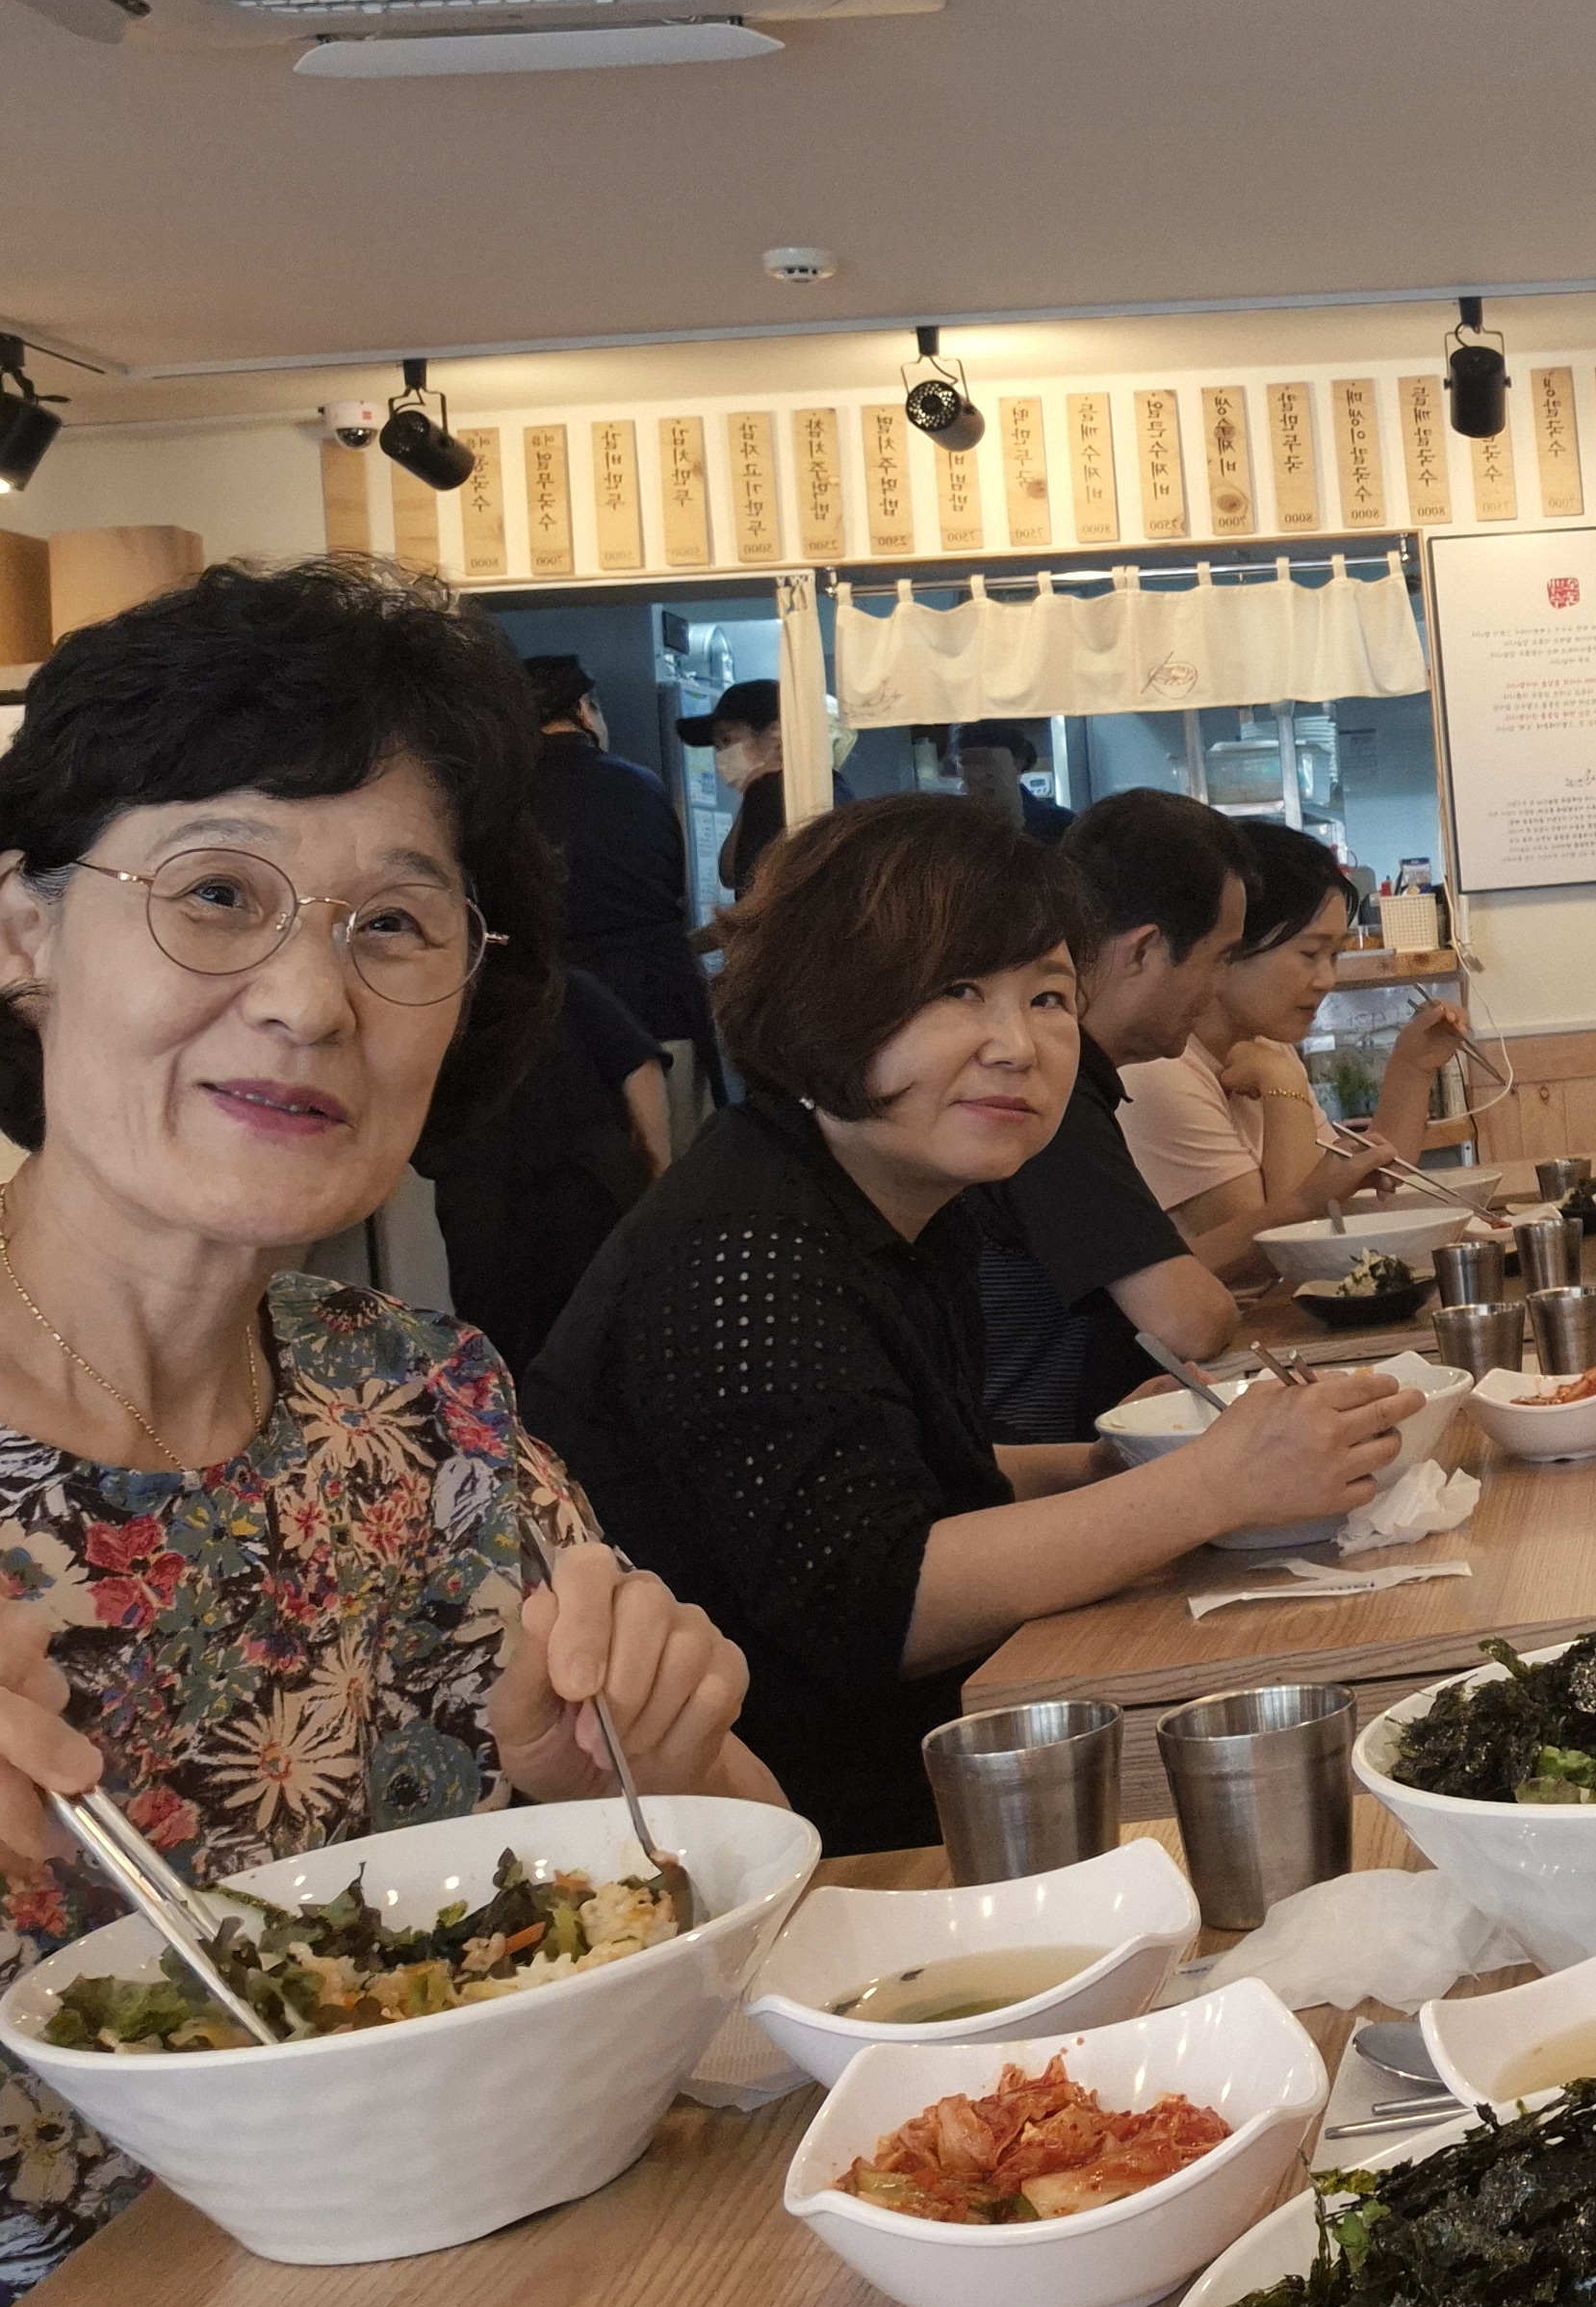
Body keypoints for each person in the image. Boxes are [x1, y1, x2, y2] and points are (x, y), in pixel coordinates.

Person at [0, 559, 770, 2307]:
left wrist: (642, 1773)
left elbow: (738, 1897)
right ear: (25, 934)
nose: (309, 999)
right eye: (217, 894)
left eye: (396, 926)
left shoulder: (424, 1409)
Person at [524, 795, 1419, 1851]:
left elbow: (905, 1469)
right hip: (793, 1847)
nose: (1018, 1046)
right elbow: (877, 1602)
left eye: (1047, 996)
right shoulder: (743, 1247)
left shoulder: (897, 1195)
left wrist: (1106, 1464)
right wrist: (1212, 1482)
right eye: (955, 991)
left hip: (918, 1766)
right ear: (822, 996)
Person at [965, 789, 1250, 1441]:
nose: (1218, 990)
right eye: (1221, 958)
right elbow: (1189, 1321)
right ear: (1145, 950)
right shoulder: (1042, 1095)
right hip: (1053, 1470)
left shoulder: (1073, 1085)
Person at [1117, 821, 1474, 1280]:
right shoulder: (1159, 1073)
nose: (1327, 979)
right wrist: (1282, 1086)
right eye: (1310, 954)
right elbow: (1280, 1252)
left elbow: (1355, 1184)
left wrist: (1413, 1065)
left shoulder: (1264, 1044)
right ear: (1230, 948)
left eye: (1335, 955)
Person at [416, 959, 668, 1374]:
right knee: (602, 1345)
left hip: (518, 1201)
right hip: (550, 1195)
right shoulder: (563, 987)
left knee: (516, 1355)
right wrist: (656, 1168)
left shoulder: (440, 1006)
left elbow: (639, 1063)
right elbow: (639, 1064)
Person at [524, 652, 717, 1111]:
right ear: (583, 709)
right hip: (659, 1000)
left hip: (552, 1015)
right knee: (675, 1144)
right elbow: (672, 885)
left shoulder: (503, 796)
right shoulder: (642, 785)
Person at [679, 676, 787, 905]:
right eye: (717, 747)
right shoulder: (760, 793)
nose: (721, 756)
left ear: (775, 735)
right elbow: (730, 874)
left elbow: (745, 885)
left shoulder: (772, 795)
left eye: (727, 739)